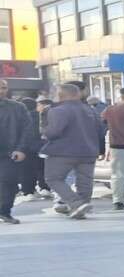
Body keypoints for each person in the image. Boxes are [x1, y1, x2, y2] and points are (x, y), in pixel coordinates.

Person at [41, 83, 103, 220]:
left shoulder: (58, 110)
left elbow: (53, 132)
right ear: (78, 94)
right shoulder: (91, 110)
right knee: (85, 181)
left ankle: (76, 203)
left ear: (60, 95)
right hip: (89, 150)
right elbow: (100, 130)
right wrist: (100, 150)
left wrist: (44, 132)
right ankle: (82, 206)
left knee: (53, 178)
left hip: (62, 151)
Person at [0, 79, 37, 224]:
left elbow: (27, 129)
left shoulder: (18, 107)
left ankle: (4, 211)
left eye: (3, 88)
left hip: (10, 152)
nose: (1, 91)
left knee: (9, 182)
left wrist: (21, 149)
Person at [16, 97, 48, 201]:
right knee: (42, 168)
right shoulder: (40, 116)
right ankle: (44, 187)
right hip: (41, 146)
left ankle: (28, 191)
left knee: (26, 170)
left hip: (24, 148)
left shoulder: (20, 117)